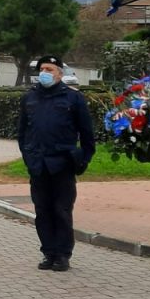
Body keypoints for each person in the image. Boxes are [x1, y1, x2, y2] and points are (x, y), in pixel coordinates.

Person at [16, 54, 95, 272]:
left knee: (61, 209)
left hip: (62, 164)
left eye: (50, 69)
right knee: (42, 211)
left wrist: (83, 159)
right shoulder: (30, 98)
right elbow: (23, 133)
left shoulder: (73, 99)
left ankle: (62, 254)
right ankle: (48, 252)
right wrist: (28, 156)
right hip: (38, 165)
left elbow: (87, 135)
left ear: (60, 73)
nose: (45, 73)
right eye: (42, 69)